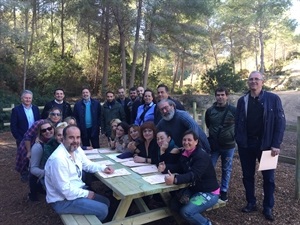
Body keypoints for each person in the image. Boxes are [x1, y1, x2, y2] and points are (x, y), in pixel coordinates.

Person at [235, 71, 286, 221]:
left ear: (262, 82)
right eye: (251, 79)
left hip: (267, 145)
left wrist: (276, 144)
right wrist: (238, 139)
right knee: (247, 176)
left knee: (269, 178)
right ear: (248, 82)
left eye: (257, 79)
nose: (253, 81)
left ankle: (268, 207)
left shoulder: (273, 99)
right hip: (246, 145)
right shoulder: (242, 101)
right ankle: (251, 202)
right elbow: (238, 121)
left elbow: (280, 123)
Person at [44, 125, 114, 222]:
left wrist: (103, 167)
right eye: (71, 137)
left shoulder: (76, 149)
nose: (75, 141)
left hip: (75, 191)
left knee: (106, 202)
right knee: (103, 210)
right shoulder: (58, 160)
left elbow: (87, 164)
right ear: (63, 139)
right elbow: (65, 191)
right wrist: (86, 193)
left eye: (78, 137)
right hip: (62, 201)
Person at [160, 130, 219, 225]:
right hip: (193, 189)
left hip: (209, 192)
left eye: (189, 140)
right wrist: (165, 168)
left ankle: (207, 223)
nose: (186, 142)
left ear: (196, 142)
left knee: (186, 211)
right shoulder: (185, 153)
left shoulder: (201, 156)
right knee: (174, 205)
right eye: (184, 140)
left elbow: (193, 175)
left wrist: (175, 179)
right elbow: (179, 167)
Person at [205, 87, 236, 202]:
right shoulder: (210, 111)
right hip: (214, 145)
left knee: (226, 169)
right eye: (218, 95)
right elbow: (208, 124)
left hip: (228, 145)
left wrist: (232, 136)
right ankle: (211, 188)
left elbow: (238, 125)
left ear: (227, 96)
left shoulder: (233, 110)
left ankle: (223, 190)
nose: (220, 97)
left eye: (223, 95)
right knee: (209, 167)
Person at [15, 107, 62, 182]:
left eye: (58, 114)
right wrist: (29, 151)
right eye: (53, 114)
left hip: (43, 144)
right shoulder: (40, 123)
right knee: (27, 164)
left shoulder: (58, 125)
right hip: (28, 145)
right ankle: (31, 184)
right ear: (49, 115)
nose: (55, 116)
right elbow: (27, 136)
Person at [28, 121, 55, 201]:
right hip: (42, 175)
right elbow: (33, 169)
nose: (47, 131)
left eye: (49, 128)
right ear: (41, 133)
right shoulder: (38, 147)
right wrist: (50, 174)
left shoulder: (56, 141)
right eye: (44, 130)